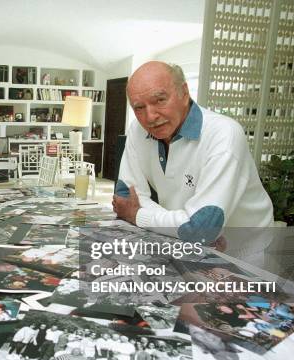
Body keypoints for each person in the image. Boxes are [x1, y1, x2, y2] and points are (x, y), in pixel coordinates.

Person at [113, 61, 273, 248]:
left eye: (160, 100)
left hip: (245, 251)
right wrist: (181, 225)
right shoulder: (137, 130)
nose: (150, 117)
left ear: (184, 92)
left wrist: (138, 215)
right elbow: (125, 197)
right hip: (184, 243)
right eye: (139, 107)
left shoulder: (224, 134)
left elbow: (202, 229)